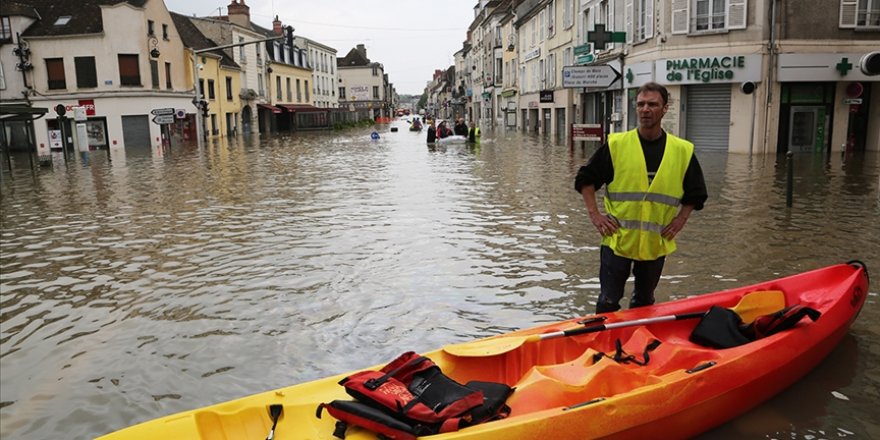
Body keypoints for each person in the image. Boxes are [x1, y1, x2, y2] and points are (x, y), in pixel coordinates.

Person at [574, 82, 707, 314]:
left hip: (655, 243)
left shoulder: (681, 150)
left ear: (665, 108)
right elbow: (586, 179)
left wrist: (680, 220)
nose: (646, 109)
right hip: (617, 240)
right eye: (641, 104)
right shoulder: (617, 145)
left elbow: (696, 193)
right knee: (608, 301)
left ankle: (639, 343)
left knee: (644, 302)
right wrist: (595, 215)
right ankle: (602, 343)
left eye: (652, 104)